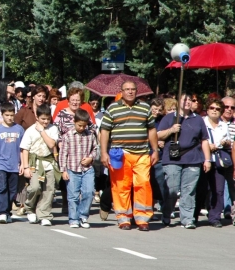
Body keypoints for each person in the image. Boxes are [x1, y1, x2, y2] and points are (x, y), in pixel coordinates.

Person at [100, 81, 158, 231]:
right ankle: (123, 218)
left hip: (142, 153)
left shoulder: (145, 107)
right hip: (120, 153)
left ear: (136, 91)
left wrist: (155, 150)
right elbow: (105, 131)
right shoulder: (113, 108)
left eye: (133, 89)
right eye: (127, 90)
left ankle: (143, 218)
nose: (130, 92)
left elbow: (151, 130)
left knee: (143, 183)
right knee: (121, 186)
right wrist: (104, 152)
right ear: (122, 91)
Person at [157, 94, 210, 228]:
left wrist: (207, 159)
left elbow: (204, 140)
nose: (187, 102)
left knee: (189, 190)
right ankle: (167, 213)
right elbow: (158, 135)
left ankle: (187, 219)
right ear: (178, 101)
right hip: (172, 159)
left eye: (190, 100)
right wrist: (171, 130)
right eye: (184, 99)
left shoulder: (198, 119)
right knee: (172, 189)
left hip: (193, 158)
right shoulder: (169, 118)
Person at [20, 103, 59, 226]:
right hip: (34, 163)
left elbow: (52, 144)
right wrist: (25, 167)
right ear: (37, 117)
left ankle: (44, 214)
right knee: (35, 187)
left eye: (48, 119)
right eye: (43, 119)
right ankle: (30, 208)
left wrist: (42, 131)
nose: (45, 121)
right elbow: (24, 149)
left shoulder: (53, 129)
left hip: (49, 162)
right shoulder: (30, 130)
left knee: (49, 189)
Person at [59, 108, 97, 229]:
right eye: (79, 125)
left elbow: (95, 148)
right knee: (73, 196)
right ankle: (74, 218)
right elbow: (63, 153)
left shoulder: (90, 135)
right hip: (72, 169)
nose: (81, 128)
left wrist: (91, 158)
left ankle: (83, 216)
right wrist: (63, 170)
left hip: (87, 169)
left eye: (84, 126)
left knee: (89, 192)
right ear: (74, 122)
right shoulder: (68, 136)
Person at [0, 102, 24, 224]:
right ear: (2, 115)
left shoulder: (19, 129)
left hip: (14, 165)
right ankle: (2, 212)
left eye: (12, 115)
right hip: (0, 164)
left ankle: (7, 211)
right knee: (1, 188)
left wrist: (23, 164)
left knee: (12, 191)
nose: (10, 117)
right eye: (7, 115)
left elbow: (22, 148)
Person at [198, 99, 231, 227]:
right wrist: (206, 146)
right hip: (203, 159)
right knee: (201, 189)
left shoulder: (224, 125)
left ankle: (215, 217)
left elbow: (229, 141)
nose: (214, 111)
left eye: (217, 109)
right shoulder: (202, 122)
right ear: (207, 109)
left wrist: (225, 143)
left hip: (218, 161)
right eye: (212, 108)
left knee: (218, 190)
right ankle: (194, 215)